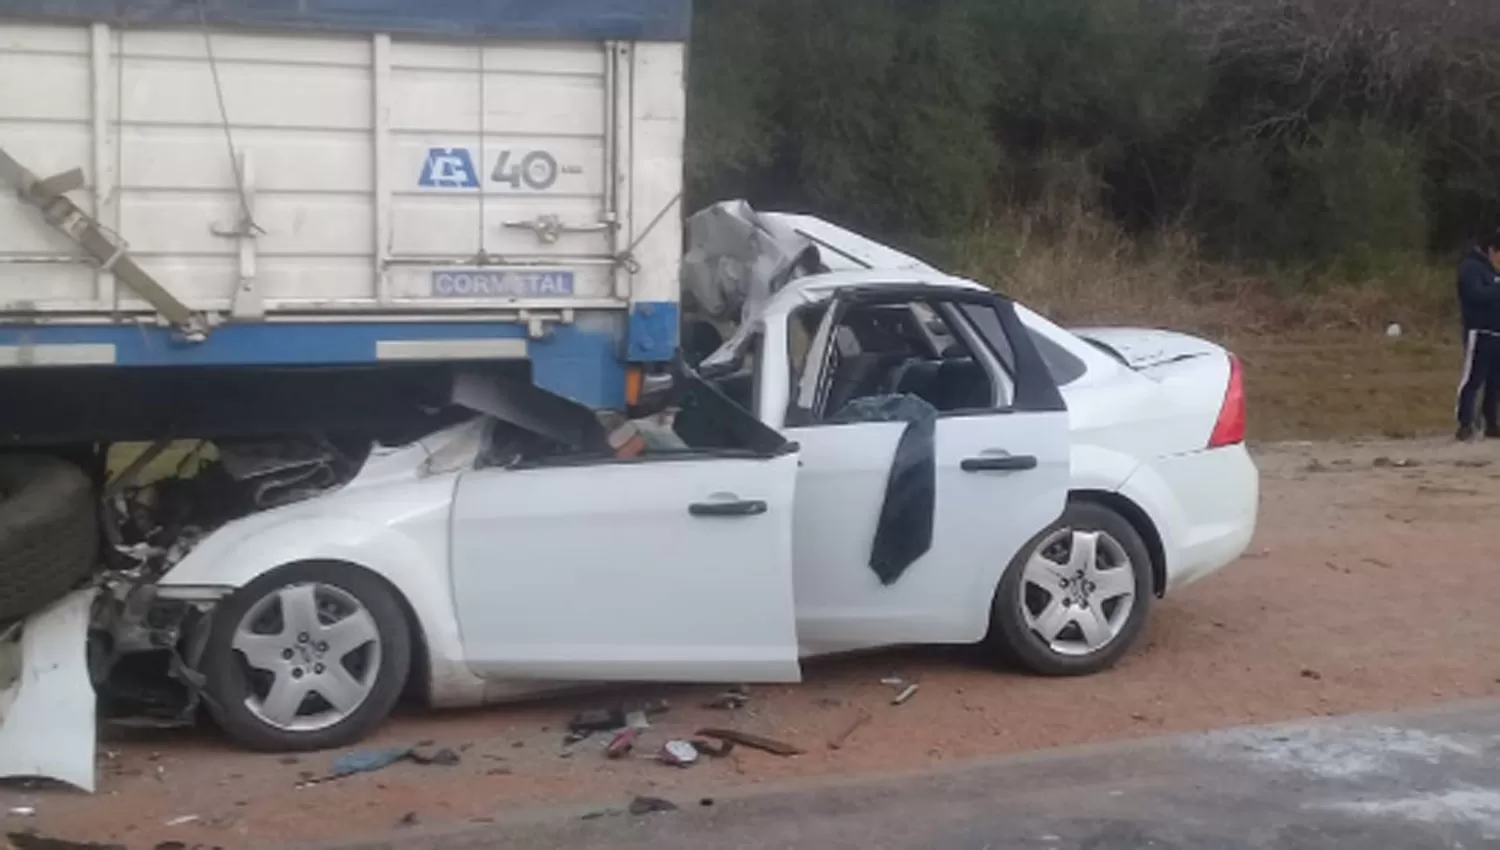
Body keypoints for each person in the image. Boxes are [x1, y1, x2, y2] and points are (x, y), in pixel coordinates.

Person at [1455, 230, 1500, 440]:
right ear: (1491, 250)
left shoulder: (1492, 270)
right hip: (1479, 331)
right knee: (1473, 378)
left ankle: (1492, 423)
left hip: (1497, 332)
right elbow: (1475, 296)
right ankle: (1465, 423)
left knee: (1495, 381)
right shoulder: (1470, 268)